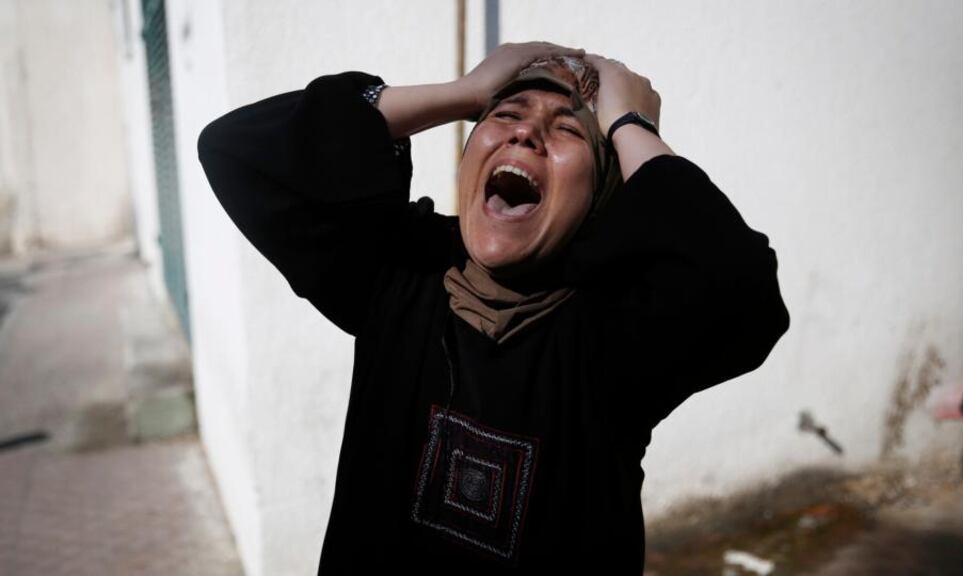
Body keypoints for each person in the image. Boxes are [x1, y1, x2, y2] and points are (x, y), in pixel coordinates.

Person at [198, 41, 789, 575]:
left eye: (568, 130)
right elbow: (239, 150)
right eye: (504, 115)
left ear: (598, 199)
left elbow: (741, 285)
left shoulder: (614, 332)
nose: (525, 135)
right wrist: (464, 92)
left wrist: (629, 123)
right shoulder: (400, 273)